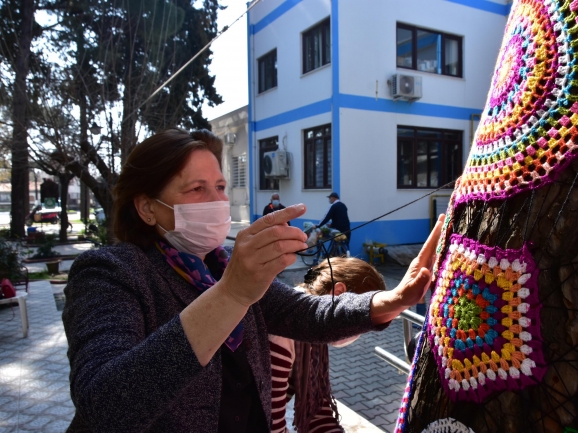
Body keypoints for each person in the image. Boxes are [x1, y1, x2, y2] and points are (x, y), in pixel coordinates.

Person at [62, 128, 445, 432]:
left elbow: (304, 313)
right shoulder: (109, 273)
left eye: (220, 187)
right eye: (197, 189)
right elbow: (105, 405)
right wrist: (230, 294)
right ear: (146, 208)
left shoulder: (219, 265)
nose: (216, 201)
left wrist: (390, 299)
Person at [269, 257, 386, 433]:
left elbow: (317, 412)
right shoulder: (282, 335)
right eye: (362, 325)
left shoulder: (313, 330)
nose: (359, 335)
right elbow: (268, 424)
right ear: (338, 293)